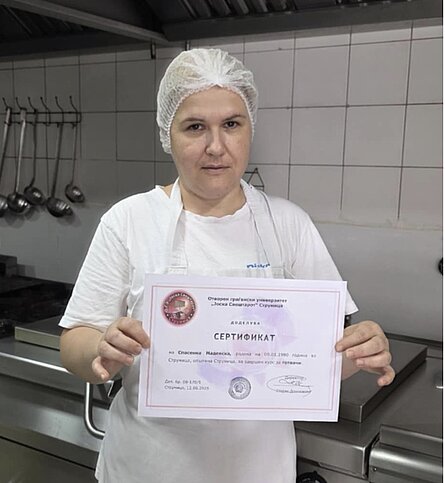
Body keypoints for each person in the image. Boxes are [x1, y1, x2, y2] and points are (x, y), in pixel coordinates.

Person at [59, 48, 394, 483]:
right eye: (195, 126)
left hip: (259, 470)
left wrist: (359, 352)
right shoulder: (129, 221)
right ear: (168, 134)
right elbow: (75, 344)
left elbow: (322, 358)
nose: (216, 147)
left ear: (250, 128)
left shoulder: (288, 224)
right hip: (145, 467)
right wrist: (101, 349)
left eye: (231, 124)